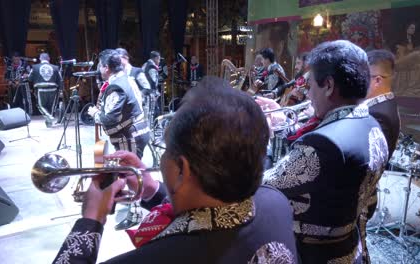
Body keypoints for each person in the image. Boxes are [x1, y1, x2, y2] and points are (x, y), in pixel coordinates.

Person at [53, 76, 298, 263]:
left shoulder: (157, 257)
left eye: (167, 151)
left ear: (182, 169)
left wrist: (91, 220)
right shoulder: (276, 202)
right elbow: (207, 208)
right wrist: (153, 190)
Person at [262, 40, 389, 263]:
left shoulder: (322, 144)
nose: (308, 95)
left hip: (315, 255)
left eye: (311, 87)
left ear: (329, 85)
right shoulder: (372, 124)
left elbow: (265, 186)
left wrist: (259, 139)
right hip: (349, 248)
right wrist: (282, 121)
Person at [87, 49, 150, 231]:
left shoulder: (117, 86)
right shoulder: (127, 77)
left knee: (129, 172)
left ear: (106, 67)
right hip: (137, 131)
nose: (98, 68)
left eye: (100, 65)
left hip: (129, 135)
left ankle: (135, 213)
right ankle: (135, 203)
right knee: (133, 170)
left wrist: (95, 113)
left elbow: (110, 118)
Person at [359, 49, 401, 263]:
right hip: (363, 195)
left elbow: (365, 163)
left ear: (376, 80)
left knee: (359, 249)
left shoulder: (380, 113)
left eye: (361, 78)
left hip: (362, 198)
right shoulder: (382, 105)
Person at [28, 53, 63, 127]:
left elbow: (29, 78)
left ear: (40, 59)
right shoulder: (55, 67)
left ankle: (49, 117)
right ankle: (49, 123)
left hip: (41, 89)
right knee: (51, 106)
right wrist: (61, 91)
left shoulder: (35, 67)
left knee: (40, 105)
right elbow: (60, 80)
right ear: (49, 59)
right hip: (53, 89)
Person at [142, 51, 161, 126]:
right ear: (156, 58)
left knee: (147, 111)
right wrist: (155, 93)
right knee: (152, 112)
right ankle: (151, 128)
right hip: (150, 93)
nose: (159, 61)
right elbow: (153, 82)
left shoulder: (145, 64)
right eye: (159, 59)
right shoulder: (152, 67)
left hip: (144, 92)